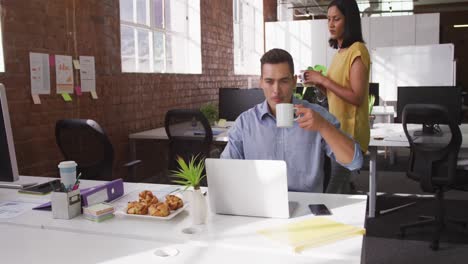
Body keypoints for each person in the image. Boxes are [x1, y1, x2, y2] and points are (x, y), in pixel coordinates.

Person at [220, 48, 363, 193]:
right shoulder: (245, 123)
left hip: (307, 207)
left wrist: (323, 126)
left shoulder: (316, 115)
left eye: (284, 81)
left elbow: (355, 162)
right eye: (269, 81)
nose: (276, 90)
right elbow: (224, 172)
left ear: (294, 81)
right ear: (261, 82)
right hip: (261, 206)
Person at [302, 0, 370, 193]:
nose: (330, 24)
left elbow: (356, 97)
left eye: (336, 19)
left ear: (349, 21)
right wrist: (319, 84)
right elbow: (336, 94)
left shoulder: (357, 50)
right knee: (338, 187)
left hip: (350, 134)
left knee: (333, 190)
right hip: (337, 130)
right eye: (328, 19)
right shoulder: (340, 53)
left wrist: (323, 79)